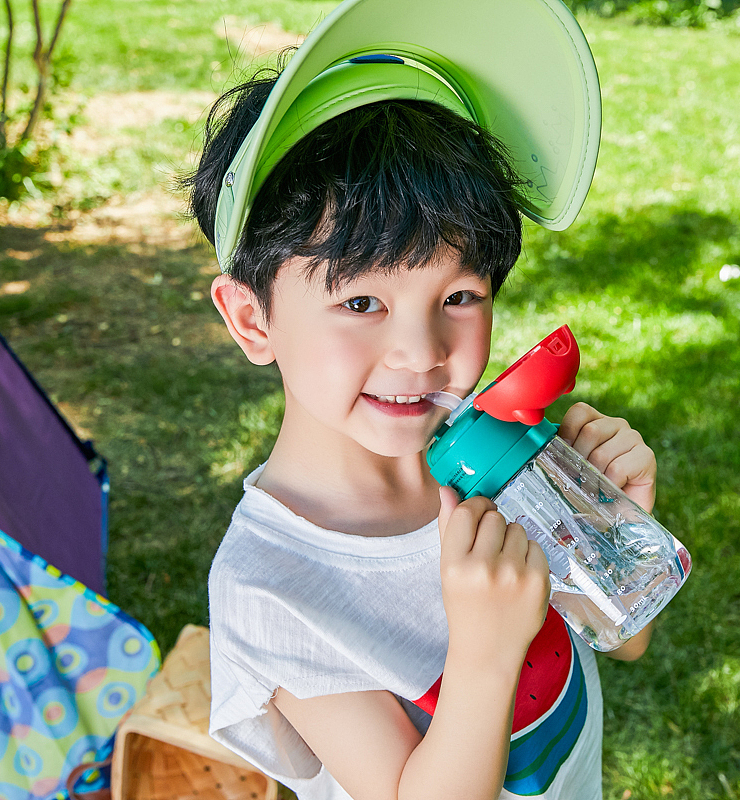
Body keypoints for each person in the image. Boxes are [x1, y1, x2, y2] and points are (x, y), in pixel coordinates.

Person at [185, 1, 661, 798]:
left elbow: (622, 642)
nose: (422, 353)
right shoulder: (272, 587)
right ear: (251, 317)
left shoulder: (503, 467)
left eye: (461, 295)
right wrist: (482, 655)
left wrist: (612, 535)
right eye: (361, 304)